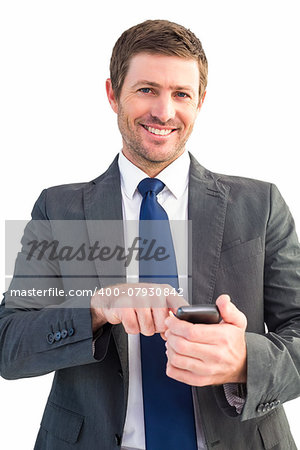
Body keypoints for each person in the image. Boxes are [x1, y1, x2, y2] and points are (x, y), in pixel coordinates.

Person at [1, 19, 300, 450]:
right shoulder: (59, 210)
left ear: (200, 101)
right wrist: (96, 308)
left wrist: (246, 361)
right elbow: (9, 344)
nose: (164, 111)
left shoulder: (261, 204)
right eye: (146, 90)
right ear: (112, 94)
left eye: (181, 93)